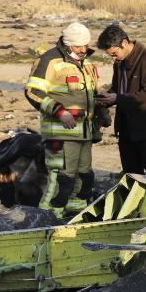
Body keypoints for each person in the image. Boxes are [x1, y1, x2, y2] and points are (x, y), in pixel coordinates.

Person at [24, 22, 101, 217]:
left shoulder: (87, 62)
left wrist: (102, 110)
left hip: (85, 132)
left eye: (85, 45)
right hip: (60, 133)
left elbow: (89, 93)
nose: (83, 50)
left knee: (84, 177)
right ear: (67, 44)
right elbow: (33, 91)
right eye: (78, 47)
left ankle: (74, 212)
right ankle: (47, 218)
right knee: (61, 180)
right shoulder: (50, 60)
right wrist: (60, 112)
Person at [95, 24, 146, 177]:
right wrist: (106, 98)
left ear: (124, 43)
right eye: (111, 56)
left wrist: (117, 98)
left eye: (115, 54)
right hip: (126, 128)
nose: (113, 58)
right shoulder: (119, 63)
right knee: (131, 173)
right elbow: (117, 89)